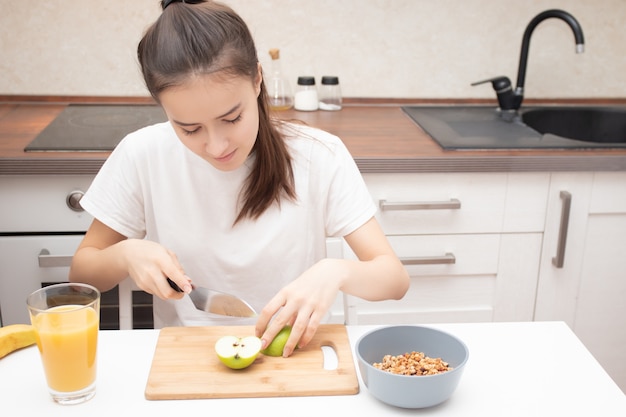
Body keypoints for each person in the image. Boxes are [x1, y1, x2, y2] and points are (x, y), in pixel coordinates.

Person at [69, 0, 409, 357]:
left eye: (232, 118)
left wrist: (335, 272)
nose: (216, 146)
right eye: (189, 128)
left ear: (258, 78)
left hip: (294, 356)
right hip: (186, 360)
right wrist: (125, 254)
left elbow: (394, 279)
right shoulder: (142, 154)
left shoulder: (318, 155)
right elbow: (83, 274)